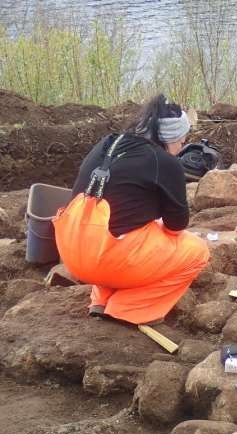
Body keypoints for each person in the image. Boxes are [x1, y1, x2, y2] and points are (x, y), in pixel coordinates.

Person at [53, 94, 209, 325]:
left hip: (71, 251)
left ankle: (101, 297)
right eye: (181, 142)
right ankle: (127, 309)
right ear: (169, 139)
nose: (182, 148)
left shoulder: (108, 143)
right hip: (108, 258)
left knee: (119, 227)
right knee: (197, 251)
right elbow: (176, 225)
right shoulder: (165, 163)